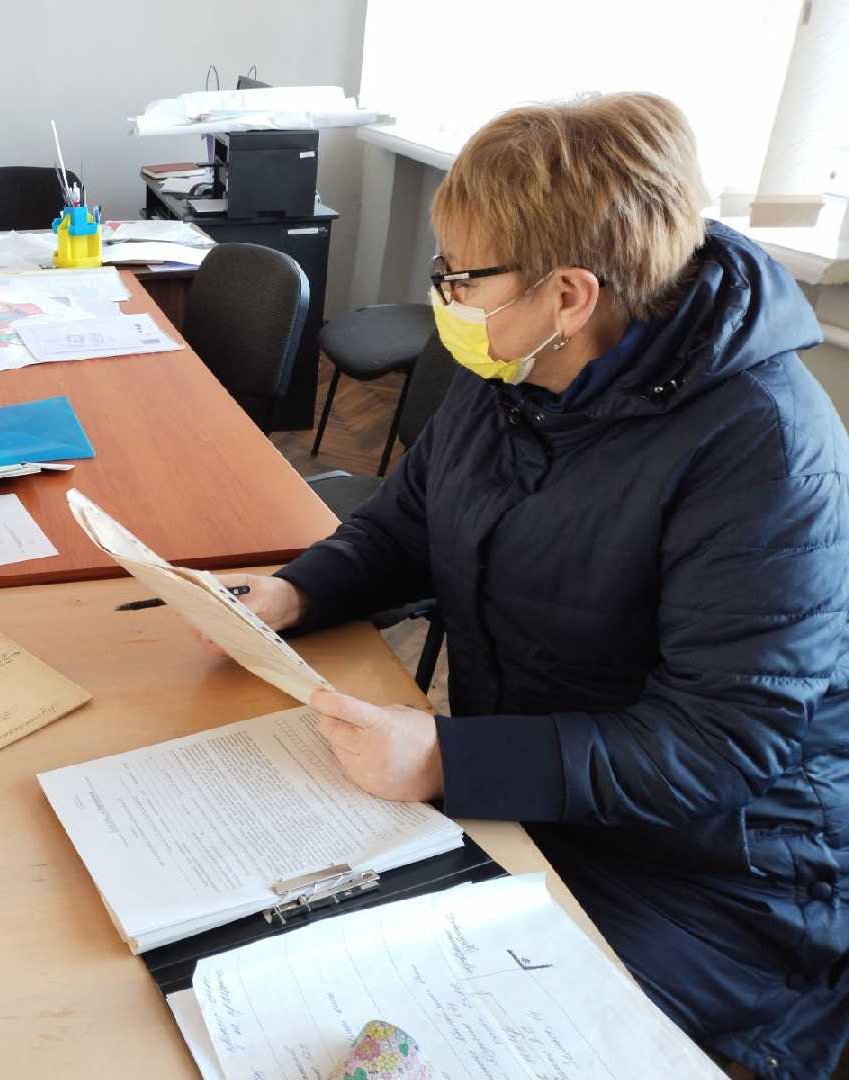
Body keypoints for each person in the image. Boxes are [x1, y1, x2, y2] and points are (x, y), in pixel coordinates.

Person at [225, 94, 849, 1078]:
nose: (444, 297)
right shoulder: (518, 369)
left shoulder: (762, 445)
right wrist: (293, 594)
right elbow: (406, 525)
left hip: (720, 873)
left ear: (569, 295)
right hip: (538, 794)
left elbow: (719, 745)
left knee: (432, 1023)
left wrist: (448, 760)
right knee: (283, 945)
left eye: (461, 277)